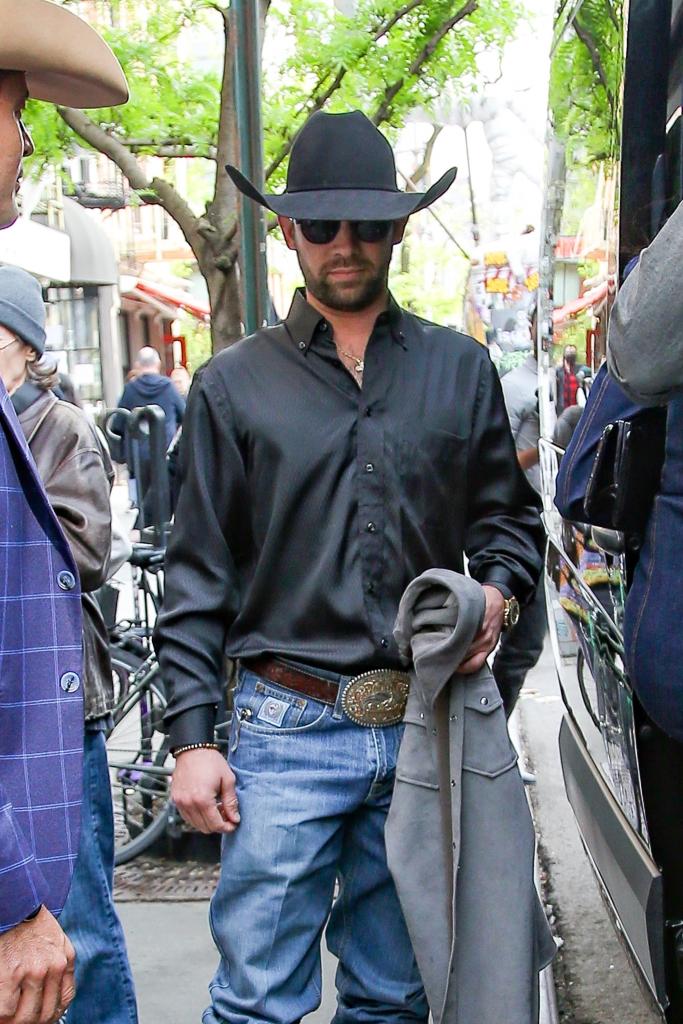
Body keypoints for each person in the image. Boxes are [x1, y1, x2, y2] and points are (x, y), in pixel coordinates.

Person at [155, 109, 544, 1024]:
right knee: (256, 1002)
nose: (343, 244)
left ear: (398, 229)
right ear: (286, 230)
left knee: (397, 998)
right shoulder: (229, 385)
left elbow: (509, 521)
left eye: (366, 224)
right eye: (320, 224)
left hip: (421, 724)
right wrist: (192, 738)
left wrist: (496, 591)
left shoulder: (460, 370)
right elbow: (195, 572)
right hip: (282, 728)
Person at [0, 4, 127, 1023]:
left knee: (87, 944)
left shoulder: (55, 425)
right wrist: (10, 895)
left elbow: (76, 552)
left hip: (57, 730)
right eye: (14, 108)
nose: (28, 138)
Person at [0, 267, 138, 1024]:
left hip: (61, 702)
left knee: (76, 918)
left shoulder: (58, 427)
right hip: (17, 701)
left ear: (22, 345)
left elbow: (83, 550)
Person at [494, 314, 546, 715]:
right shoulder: (515, 388)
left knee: (526, 646)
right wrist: (546, 446)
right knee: (517, 646)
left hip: (552, 525)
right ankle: (491, 744)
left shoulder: (558, 384)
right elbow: (496, 461)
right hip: (520, 529)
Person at [115, 346, 185, 449]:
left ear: (137, 365)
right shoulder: (168, 387)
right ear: (158, 364)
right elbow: (185, 415)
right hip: (165, 453)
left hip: (137, 457)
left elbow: (118, 424)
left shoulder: (130, 389)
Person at [554, 343, 579, 414]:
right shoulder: (559, 371)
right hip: (563, 407)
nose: (571, 353)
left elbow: (588, 370)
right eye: (569, 351)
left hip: (576, 407)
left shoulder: (578, 369)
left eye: (573, 352)